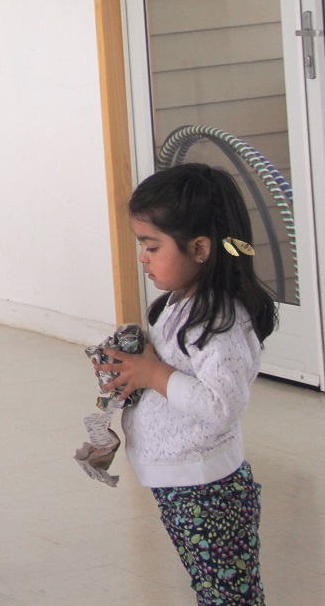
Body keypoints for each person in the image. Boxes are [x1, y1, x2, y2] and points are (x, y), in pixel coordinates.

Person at [95, 164, 278, 606]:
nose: (142, 257)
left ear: (199, 248)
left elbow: (221, 404)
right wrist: (131, 371)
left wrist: (153, 374)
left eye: (151, 246)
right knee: (213, 589)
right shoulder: (181, 302)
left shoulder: (220, 320)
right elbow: (173, 375)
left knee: (227, 597)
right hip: (184, 485)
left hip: (208, 490)